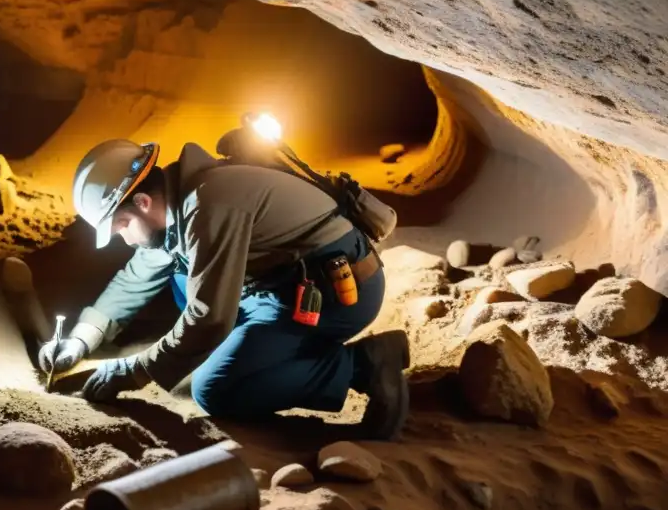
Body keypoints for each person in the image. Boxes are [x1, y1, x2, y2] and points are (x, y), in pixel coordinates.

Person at [39, 136, 411, 440]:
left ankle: (363, 365)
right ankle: (251, 351)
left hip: (330, 295)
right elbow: (137, 276)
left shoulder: (210, 203)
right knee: (177, 275)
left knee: (214, 389)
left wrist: (134, 370)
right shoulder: (178, 202)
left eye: (121, 226)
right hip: (274, 287)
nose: (123, 238)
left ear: (142, 202)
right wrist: (80, 340)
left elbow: (208, 317)